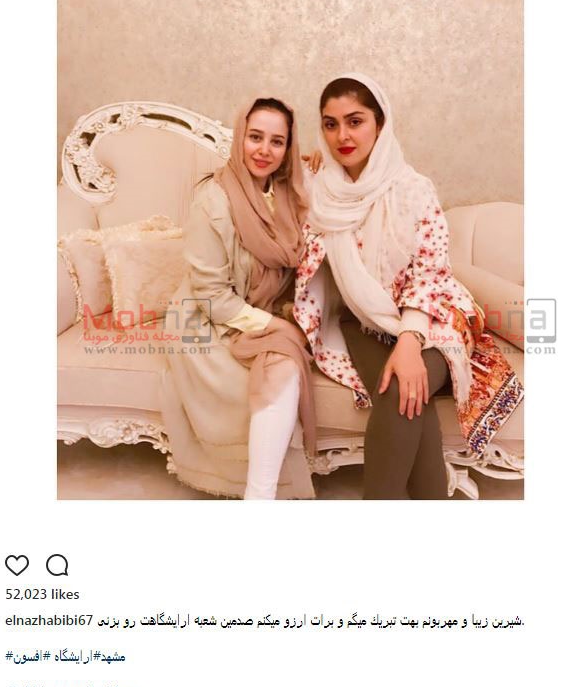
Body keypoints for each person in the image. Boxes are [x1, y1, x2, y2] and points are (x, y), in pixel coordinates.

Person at [294, 74, 524, 499]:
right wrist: (299, 167)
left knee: (402, 388)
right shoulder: (321, 192)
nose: (342, 136)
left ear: (380, 123)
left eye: (355, 121)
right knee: (406, 398)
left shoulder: (413, 189)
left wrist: (409, 340)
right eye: (330, 124)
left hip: (435, 316)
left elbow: (429, 273)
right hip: (363, 321)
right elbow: (260, 170)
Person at [162, 98, 316, 500]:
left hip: (258, 306)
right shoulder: (212, 201)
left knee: (286, 358)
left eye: (277, 141)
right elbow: (212, 296)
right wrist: (278, 326)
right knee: (284, 358)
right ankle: (259, 496)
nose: (264, 150)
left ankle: (257, 497)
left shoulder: (287, 192)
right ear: (239, 138)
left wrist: (322, 165)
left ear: (288, 149)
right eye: (255, 137)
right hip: (205, 317)